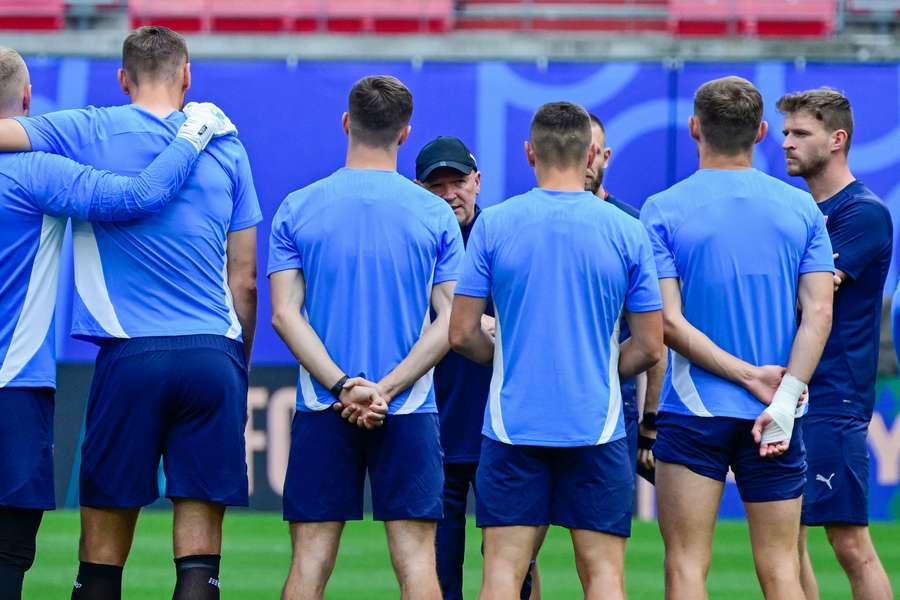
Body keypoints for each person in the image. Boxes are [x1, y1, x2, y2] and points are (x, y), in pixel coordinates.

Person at [0, 26, 261, 600]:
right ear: (187, 76)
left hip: (130, 355)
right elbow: (243, 279)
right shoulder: (227, 144)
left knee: (100, 561)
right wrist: (235, 367)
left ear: (122, 79)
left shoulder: (85, 129)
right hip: (213, 355)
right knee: (199, 561)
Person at [450, 101, 663, 600]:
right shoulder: (627, 230)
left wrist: (507, 360)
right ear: (592, 154)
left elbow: (461, 333)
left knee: (502, 573)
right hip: (598, 426)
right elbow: (652, 345)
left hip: (513, 427)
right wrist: (601, 371)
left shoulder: (495, 224)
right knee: (604, 576)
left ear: (529, 152)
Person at [268, 75, 463, 600]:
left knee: (309, 565)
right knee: (420, 567)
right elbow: (453, 321)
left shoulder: (297, 206)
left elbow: (285, 315)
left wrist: (342, 387)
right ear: (405, 133)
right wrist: (388, 390)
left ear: (347, 123)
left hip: (322, 405)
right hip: (409, 408)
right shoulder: (436, 213)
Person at [640, 75, 835, 599]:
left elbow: (668, 323)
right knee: (781, 569)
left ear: (694, 128)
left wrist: (746, 377)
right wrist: (786, 394)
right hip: (775, 411)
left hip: (693, 410)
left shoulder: (661, 209)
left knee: (685, 564)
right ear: (763, 131)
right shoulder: (802, 209)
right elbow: (819, 311)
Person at [778, 88, 894, 600]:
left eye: (801, 133)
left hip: (835, 394)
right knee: (786, 537)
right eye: (785, 132)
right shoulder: (802, 210)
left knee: (848, 541)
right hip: (794, 390)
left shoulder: (863, 213)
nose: (787, 143)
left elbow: (813, 297)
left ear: (838, 139)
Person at [415, 136, 539, 600]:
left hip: (502, 436)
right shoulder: (416, 248)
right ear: (418, 189)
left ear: (478, 182)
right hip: (433, 434)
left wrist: (488, 323)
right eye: (436, 186)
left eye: (459, 182)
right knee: (436, 579)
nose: (450, 194)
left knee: (512, 575)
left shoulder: (507, 239)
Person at [585, 113, 667, 482]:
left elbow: (655, 338)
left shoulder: (633, 228)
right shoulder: (521, 222)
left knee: (602, 529)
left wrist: (649, 422)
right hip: (541, 399)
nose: (584, 162)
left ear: (606, 156)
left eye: (593, 152)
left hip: (617, 400)